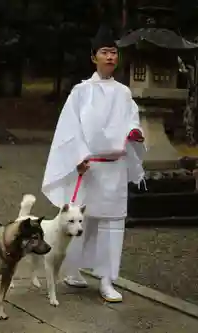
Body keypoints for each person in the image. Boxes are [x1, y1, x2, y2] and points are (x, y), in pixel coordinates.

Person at [41, 25, 145, 303]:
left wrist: (133, 132)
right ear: (93, 57)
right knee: (82, 220)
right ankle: (73, 270)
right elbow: (69, 129)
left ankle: (107, 279)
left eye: (114, 52)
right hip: (89, 166)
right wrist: (77, 158)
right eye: (105, 52)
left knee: (112, 223)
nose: (110, 57)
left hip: (115, 165)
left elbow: (132, 119)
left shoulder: (124, 93)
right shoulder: (81, 91)